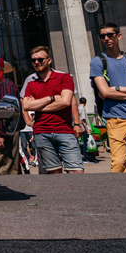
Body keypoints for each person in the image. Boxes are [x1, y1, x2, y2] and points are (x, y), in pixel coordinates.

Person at [90, 22, 126, 172]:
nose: (106, 38)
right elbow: (105, 93)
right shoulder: (98, 62)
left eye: (110, 35)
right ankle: (118, 195)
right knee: (119, 163)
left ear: (119, 36)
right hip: (116, 118)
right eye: (103, 36)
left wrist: (118, 89)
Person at [21, 46, 83, 174]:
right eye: (33, 60)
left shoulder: (64, 77)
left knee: (76, 171)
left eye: (40, 59)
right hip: (42, 131)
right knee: (54, 173)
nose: (37, 62)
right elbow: (26, 106)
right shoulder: (31, 82)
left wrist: (77, 123)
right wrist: (52, 98)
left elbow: (67, 101)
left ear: (49, 60)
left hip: (64, 129)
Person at [0, 58, 21, 174]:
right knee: (6, 168)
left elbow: (7, 112)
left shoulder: (4, 85)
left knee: (3, 169)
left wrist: (1, 133)